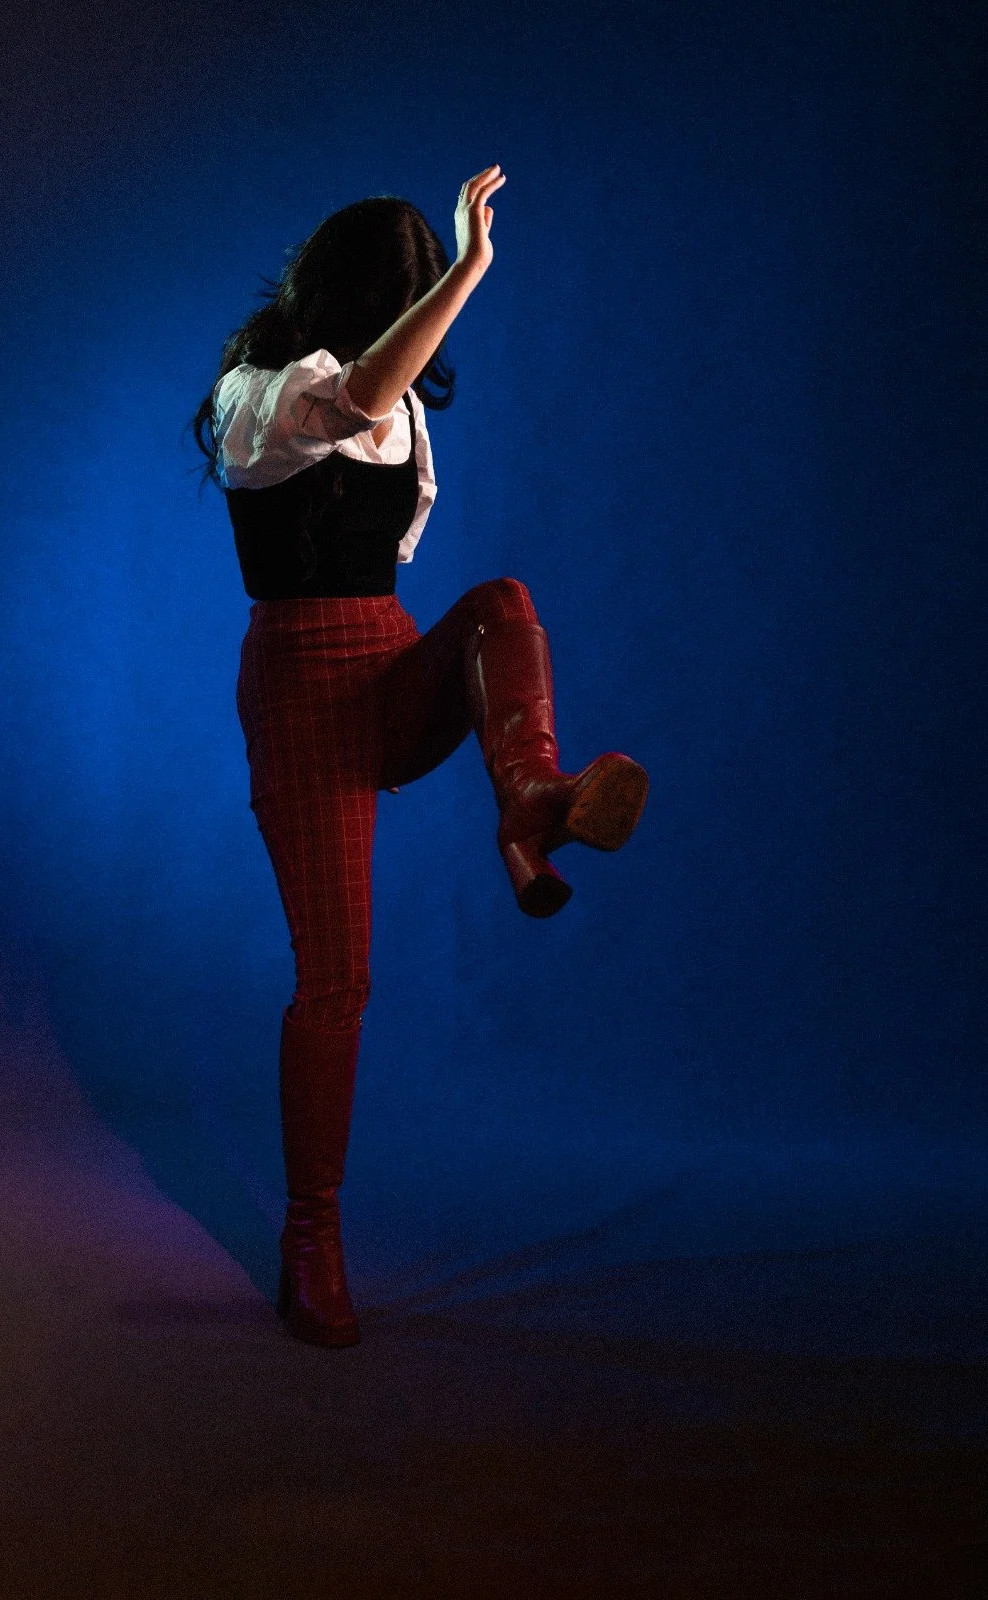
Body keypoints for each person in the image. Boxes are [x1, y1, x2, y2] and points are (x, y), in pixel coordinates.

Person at [191, 164, 649, 1349]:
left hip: (389, 670)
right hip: (301, 693)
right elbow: (350, 398)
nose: (410, 326)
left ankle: (532, 798)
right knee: (337, 980)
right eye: (398, 301)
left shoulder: (404, 417)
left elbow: (382, 410)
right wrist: (470, 269)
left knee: (501, 600)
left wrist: (455, 277)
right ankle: (311, 1238)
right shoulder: (261, 393)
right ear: (351, 298)